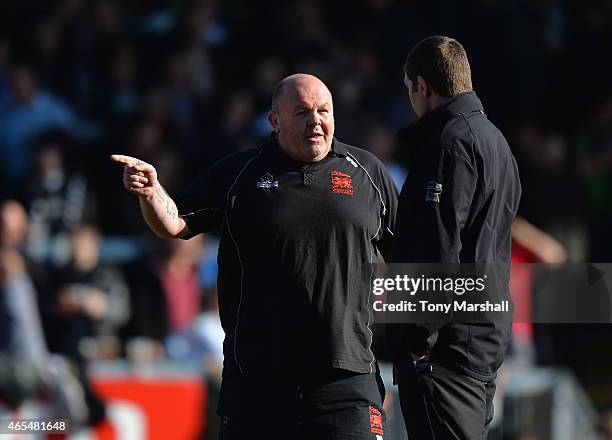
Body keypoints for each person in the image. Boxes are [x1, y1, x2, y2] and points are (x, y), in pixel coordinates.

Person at [111, 73, 397, 440]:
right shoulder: (241, 173)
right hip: (258, 384)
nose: (316, 121)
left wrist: (419, 348)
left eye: (324, 111)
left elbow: (407, 254)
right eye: (302, 112)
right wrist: (151, 193)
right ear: (275, 121)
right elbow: (174, 221)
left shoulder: (368, 174)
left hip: (346, 383)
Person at [388, 36, 521, 439]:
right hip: (481, 338)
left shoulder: (450, 145)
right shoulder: (496, 142)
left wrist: (417, 338)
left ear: (422, 87)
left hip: (446, 350)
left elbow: (439, 248)